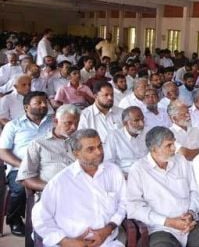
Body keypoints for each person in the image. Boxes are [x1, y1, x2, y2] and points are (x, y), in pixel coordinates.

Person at [126, 126, 199, 247]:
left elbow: (195, 192)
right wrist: (168, 222)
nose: (174, 149)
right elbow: (134, 207)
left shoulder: (181, 161)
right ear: (154, 149)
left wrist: (191, 213)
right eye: (169, 145)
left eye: (173, 144)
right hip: (160, 228)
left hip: (190, 224)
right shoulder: (138, 170)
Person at [32, 129, 127, 247]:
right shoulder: (60, 182)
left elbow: (124, 204)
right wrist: (65, 241)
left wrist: (108, 229)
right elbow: (40, 218)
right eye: (90, 149)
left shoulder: (113, 172)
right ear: (76, 153)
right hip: (73, 242)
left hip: (107, 241)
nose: (98, 152)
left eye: (100, 146)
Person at [0, 91, 53, 236]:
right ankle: (14, 219)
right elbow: (3, 152)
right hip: (20, 167)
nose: (43, 105)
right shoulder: (13, 125)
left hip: (49, 165)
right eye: (38, 103)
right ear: (26, 107)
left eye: (45, 102)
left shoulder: (54, 122)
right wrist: (23, 164)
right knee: (19, 189)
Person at [17, 104, 80, 191]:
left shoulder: (82, 142)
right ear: (55, 121)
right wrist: (52, 188)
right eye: (68, 123)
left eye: (76, 123)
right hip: (53, 195)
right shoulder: (38, 144)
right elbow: (26, 178)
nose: (74, 127)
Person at [106, 106, 148, 174]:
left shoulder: (147, 132)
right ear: (125, 123)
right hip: (126, 176)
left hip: (147, 173)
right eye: (136, 120)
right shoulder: (114, 137)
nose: (141, 124)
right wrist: (122, 176)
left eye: (142, 119)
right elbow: (108, 164)